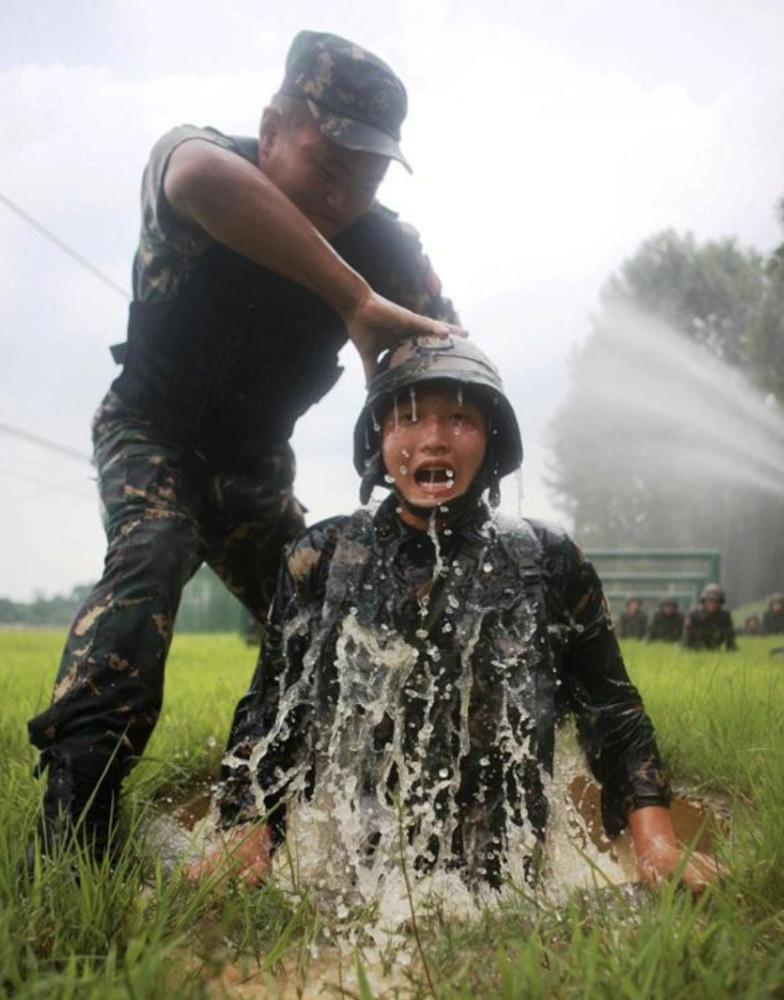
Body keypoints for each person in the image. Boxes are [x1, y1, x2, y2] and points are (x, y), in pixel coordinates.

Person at [26, 30, 461, 865]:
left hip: (255, 468)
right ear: (270, 130)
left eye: (363, 180)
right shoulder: (204, 165)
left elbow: (450, 351)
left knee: (322, 614)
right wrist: (352, 298)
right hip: (150, 431)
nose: (341, 198)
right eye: (325, 166)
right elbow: (193, 175)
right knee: (152, 553)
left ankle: (339, 796)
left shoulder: (384, 245)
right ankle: (76, 816)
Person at [190, 335, 720, 893]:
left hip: (510, 872)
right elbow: (274, 709)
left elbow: (613, 710)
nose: (435, 441)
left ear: (492, 441)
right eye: (409, 419)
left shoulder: (549, 561)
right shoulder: (321, 559)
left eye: (461, 419)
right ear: (380, 437)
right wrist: (245, 834)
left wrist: (657, 842)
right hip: (363, 873)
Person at [682, 584, 737, 652]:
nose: (712, 604)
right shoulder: (694, 614)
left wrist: (730, 648)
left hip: (714, 646)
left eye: (715, 601)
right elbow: (687, 638)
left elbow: (730, 639)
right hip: (695, 647)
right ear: (704, 601)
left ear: (720, 603)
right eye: (709, 601)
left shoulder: (724, 616)